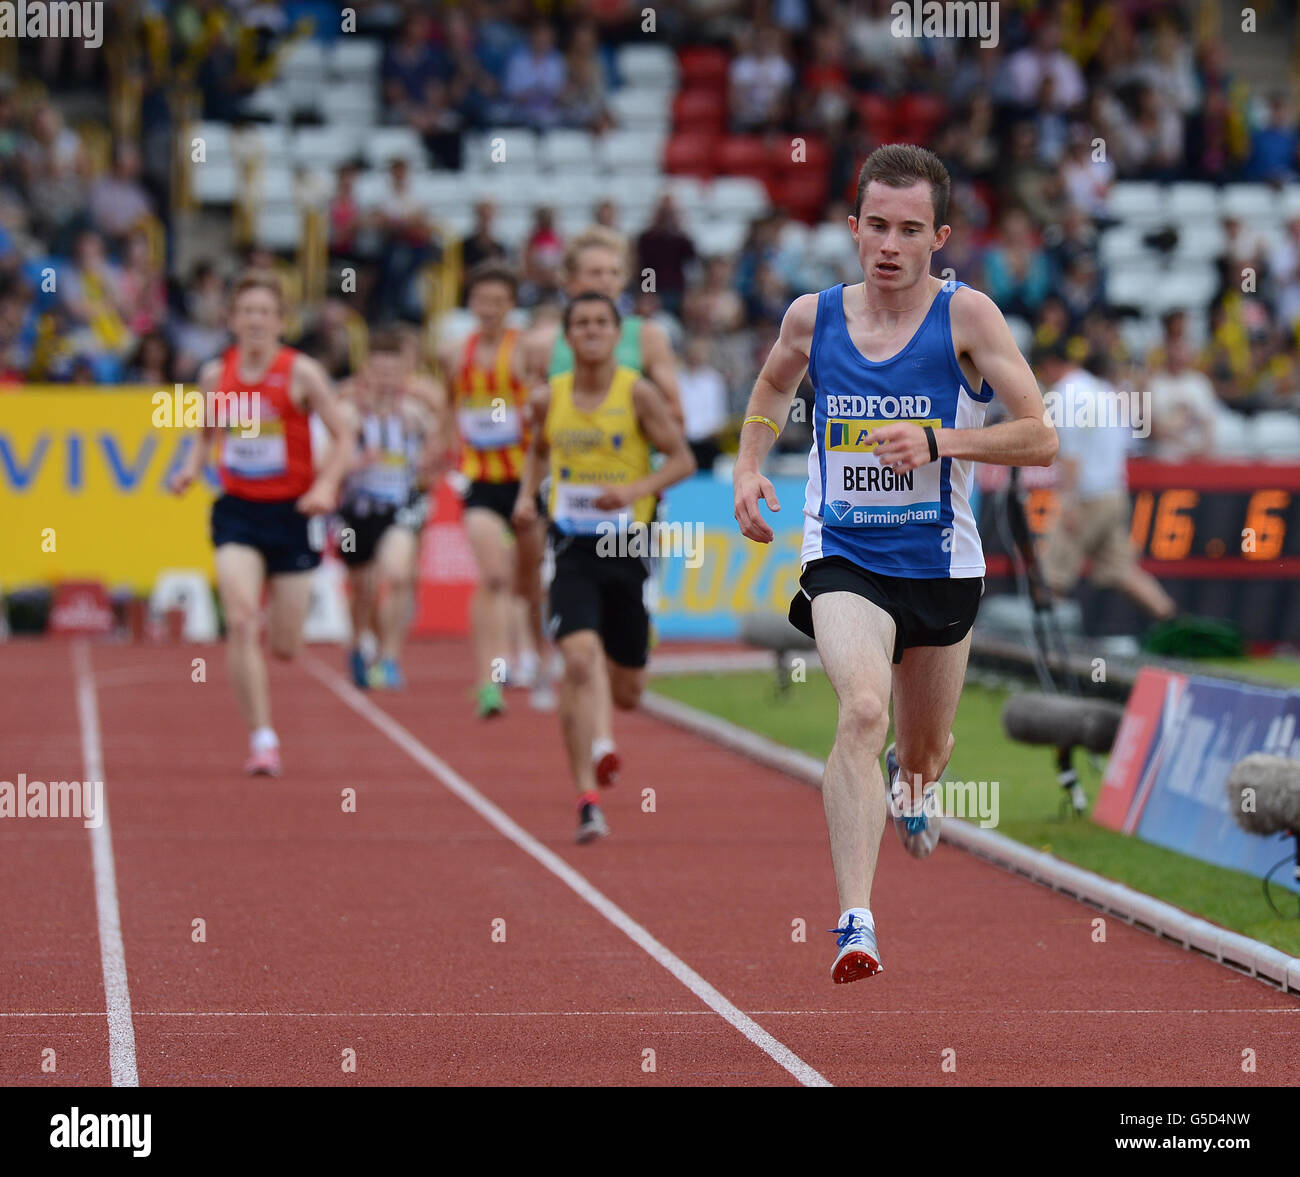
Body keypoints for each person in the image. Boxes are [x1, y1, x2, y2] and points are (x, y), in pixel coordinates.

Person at [731, 144, 1058, 984]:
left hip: (941, 566)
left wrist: (939, 441)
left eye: (909, 229)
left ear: (938, 237)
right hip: (844, 554)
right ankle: (855, 921)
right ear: (852, 226)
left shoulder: (969, 318)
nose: (889, 243)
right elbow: (771, 389)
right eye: (876, 224)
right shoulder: (813, 317)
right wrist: (747, 466)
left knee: (925, 751)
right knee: (863, 708)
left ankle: (912, 787)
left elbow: (1040, 434)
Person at [513, 292, 695, 843]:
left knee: (628, 691)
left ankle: (620, 694)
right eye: (581, 323)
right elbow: (539, 451)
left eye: (601, 323)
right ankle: (588, 793)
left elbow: (683, 459)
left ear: (617, 335)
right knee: (577, 658)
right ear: (568, 337)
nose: (591, 332)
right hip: (571, 546)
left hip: (627, 548)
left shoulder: (636, 393)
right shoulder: (550, 397)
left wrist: (634, 490)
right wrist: (527, 498)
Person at [168, 271, 353, 776]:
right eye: (244, 311)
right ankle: (262, 738)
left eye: (263, 312)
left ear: (280, 321)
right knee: (242, 619)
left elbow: (343, 438)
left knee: (287, 646)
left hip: (293, 513)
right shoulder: (215, 375)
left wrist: (324, 486)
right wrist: (189, 468)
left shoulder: (302, 373)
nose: (253, 320)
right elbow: (206, 435)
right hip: (238, 511)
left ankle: (277, 640)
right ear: (231, 320)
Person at [439, 261, 546, 717]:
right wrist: (440, 447)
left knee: (529, 584)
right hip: (480, 481)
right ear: (471, 304)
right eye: (482, 301)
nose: (489, 310)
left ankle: (537, 659)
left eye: (498, 302)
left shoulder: (525, 352)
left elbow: (545, 408)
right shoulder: (452, 353)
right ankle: (489, 680)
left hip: (526, 482)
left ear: (510, 307)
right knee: (495, 576)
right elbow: (450, 403)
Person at [336, 327, 446, 689]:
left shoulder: (414, 414)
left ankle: (390, 657)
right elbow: (328, 464)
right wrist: (358, 462)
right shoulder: (348, 413)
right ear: (366, 372)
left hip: (399, 507)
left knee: (397, 575)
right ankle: (358, 641)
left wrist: (431, 460)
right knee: (362, 587)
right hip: (356, 513)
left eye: (393, 373)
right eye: (379, 372)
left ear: (403, 375)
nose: (386, 380)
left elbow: (439, 445)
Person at [1037, 341, 1177, 620]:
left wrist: (1068, 501)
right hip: (1113, 494)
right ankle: (1176, 625)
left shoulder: (1067, 394)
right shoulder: (1099, 389)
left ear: (1050, 365)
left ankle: (1043, 652)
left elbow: (1072, 455)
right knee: (1123, 571)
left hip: (1088, 497)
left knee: (1050, 577)